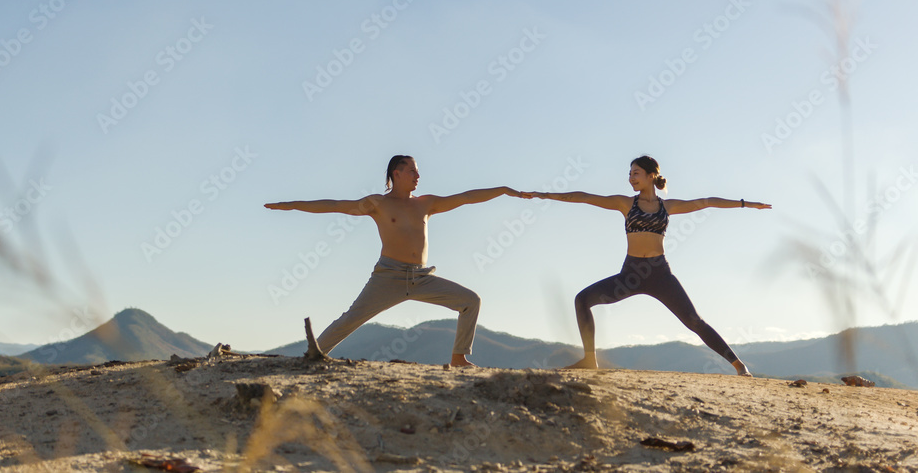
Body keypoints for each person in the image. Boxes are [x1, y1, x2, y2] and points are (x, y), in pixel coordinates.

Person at [265, 155, 521, 367]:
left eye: (417, 171)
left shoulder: (426, 204)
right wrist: (290, 205)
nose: (418, 176)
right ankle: (313, 355)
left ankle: (458, 358)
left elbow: (465, 197)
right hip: (388, 276)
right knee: (350, 319)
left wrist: (503, 191)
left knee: (470, 301)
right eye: (412, 170)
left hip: (422, 277)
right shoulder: (378, 204)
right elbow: (334, 205)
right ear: (396, 173)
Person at [526, 155, 770, 376]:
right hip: (631, 274)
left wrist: (744, 204)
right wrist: (547, 195)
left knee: (694, 321)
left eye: (635, 173)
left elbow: (706, 202)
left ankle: (739, 366)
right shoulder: (625, 204)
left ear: (651, 175)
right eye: (630, 173)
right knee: (582, 300)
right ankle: (590, 360)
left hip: (660, 274)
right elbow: (585, 198)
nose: (631, 178)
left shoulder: (668, 207)